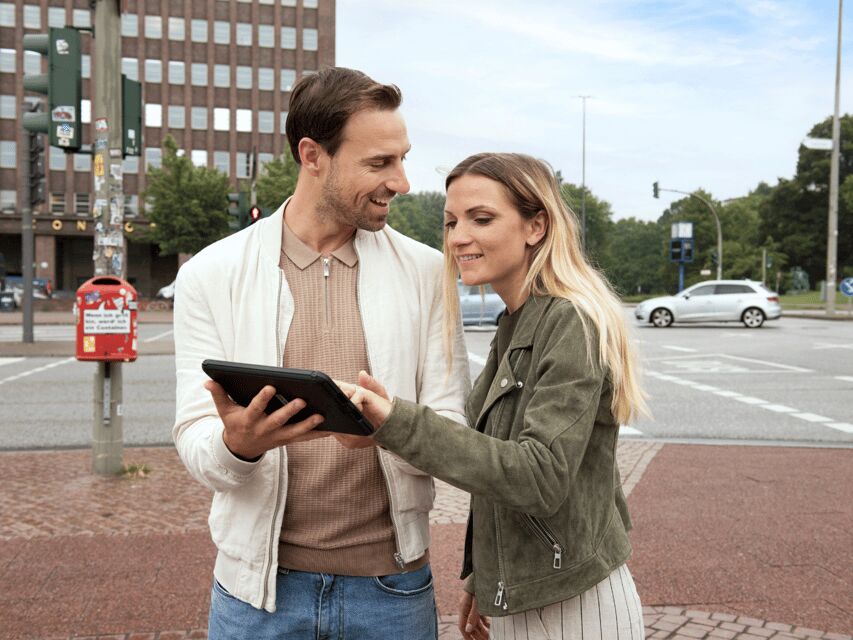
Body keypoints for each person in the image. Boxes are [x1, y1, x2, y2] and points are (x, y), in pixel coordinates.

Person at [172, 67, 470, 640]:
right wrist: (239, 445)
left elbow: (450, 431)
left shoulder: (429, 273)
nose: (402, 182)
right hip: (255, 594)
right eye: (380, 163)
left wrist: (390, 429)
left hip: (392, 589)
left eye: (403, 158)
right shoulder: (211, 274)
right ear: (313, 155)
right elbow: (195, 441)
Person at [338, 152, 650, 640]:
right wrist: (483, 573)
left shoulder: (568, 320)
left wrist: (395, 420)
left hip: (574, 606)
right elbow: (494, 470)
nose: (458, 236)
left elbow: (538, 476)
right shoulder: (514, 322)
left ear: (536, 226)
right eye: (451, 221)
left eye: (481, 218)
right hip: (527, 596)